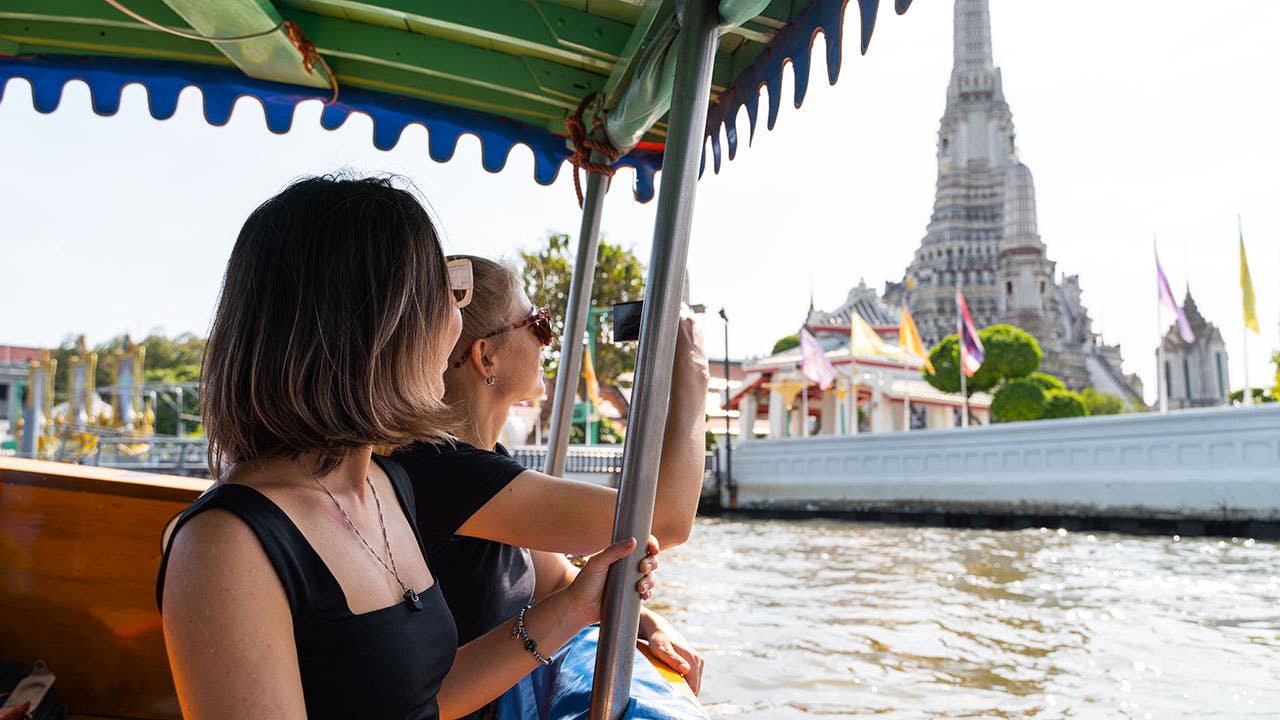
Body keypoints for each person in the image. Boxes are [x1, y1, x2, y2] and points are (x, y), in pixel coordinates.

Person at [156, 176, 658, 720]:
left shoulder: (383, 482)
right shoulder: (225, 544)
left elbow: (426, 700)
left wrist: (573, 607)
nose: (455, 325)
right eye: (445, 295)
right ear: (375, 326)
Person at [396, 255, 711, 702]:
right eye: (537, 324)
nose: (549, 340)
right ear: (485, 358)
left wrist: (650, 623)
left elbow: (557, 581)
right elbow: (666, 519)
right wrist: (694, 369)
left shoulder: (479, 464)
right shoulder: (446, 471)